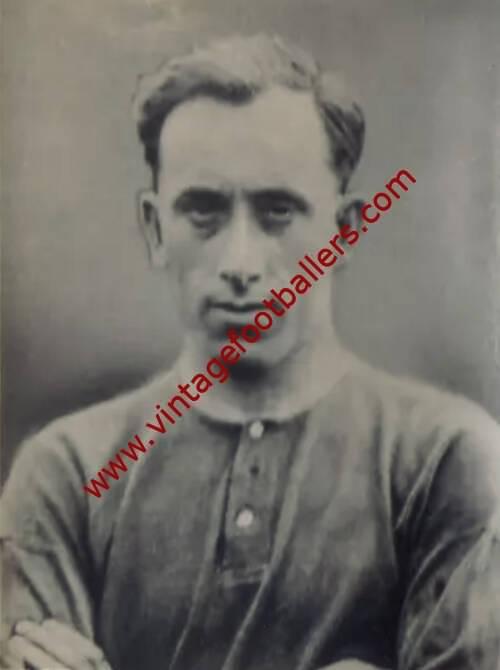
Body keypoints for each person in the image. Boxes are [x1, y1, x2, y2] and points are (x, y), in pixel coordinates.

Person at [1, 34, 499, 670]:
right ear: (156, 228)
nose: (240, 262)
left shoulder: (446, 458)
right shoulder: (66, 473)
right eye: (203, 211)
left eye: (278, 211)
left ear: (343, 232)